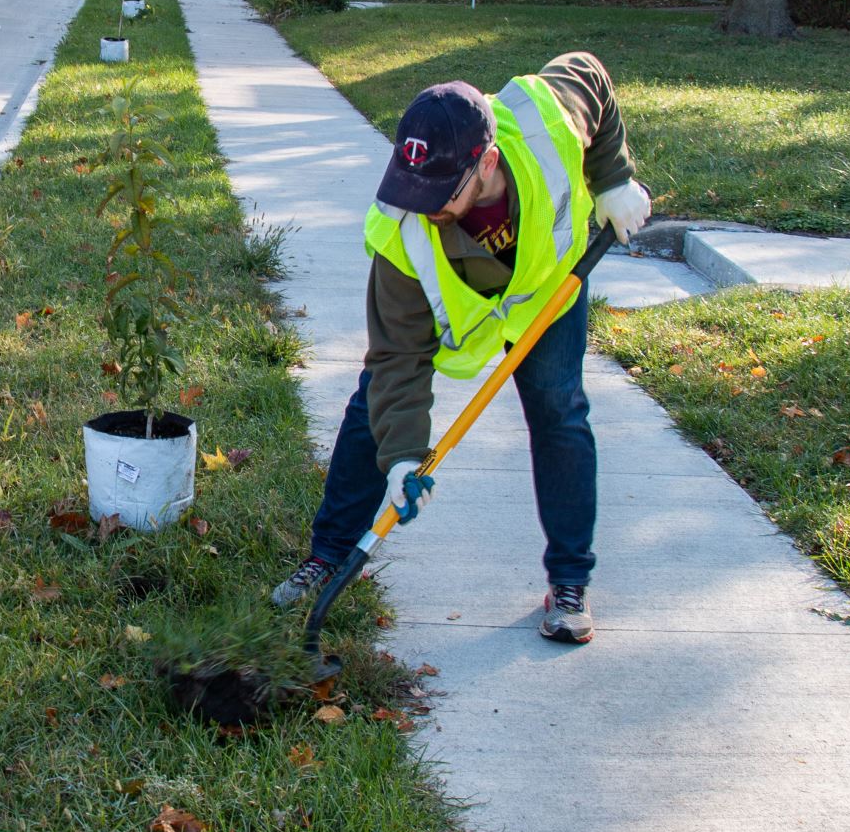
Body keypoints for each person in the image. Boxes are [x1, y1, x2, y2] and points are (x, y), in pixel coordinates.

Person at [269, 53, 652, 645]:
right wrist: (402, 460)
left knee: (560, 413)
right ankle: (328, 557)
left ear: (488, 162)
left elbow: (591, 75)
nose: (421, 203)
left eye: (442, 192)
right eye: (411, 184)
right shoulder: (398, 228)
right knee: (373, 408)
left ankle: (569, 582)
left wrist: (614, 178)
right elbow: (398, 357)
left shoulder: (544, 119)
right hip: (466, 312)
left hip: (546, 291)